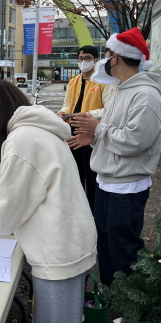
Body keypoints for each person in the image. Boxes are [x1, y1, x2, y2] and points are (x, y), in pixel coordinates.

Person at [0, 80, 97, 323]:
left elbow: (5, 213)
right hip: (68, 239)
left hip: (57, 250)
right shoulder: (37, 130)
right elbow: (19, 192)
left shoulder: (22, 139)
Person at [69, 27, 161, 323]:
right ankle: (118, 296)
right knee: (107, 243)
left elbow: (135, 141)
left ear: (118, 57)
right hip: (108, 180)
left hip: (127, 184)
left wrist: (98, 130)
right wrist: (92, 134)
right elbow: (112, 128)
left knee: (125, 246)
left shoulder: (146, 95)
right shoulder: (123, 89)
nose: (103, 60)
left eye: (107, 54)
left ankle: (141, 312)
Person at [57, 45, 114, 212]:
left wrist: (87, 115)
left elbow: (109, 109)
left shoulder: (104, 81)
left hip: (92, 133)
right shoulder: (73, 81)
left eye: (88, 58)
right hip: (72, 132)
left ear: (96, 60)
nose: (84, 62)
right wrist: (62, 113)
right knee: (75, 174)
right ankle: (77, 210)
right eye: (81, 59)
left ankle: (94, 211)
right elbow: (67, 105)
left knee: (92, 175)